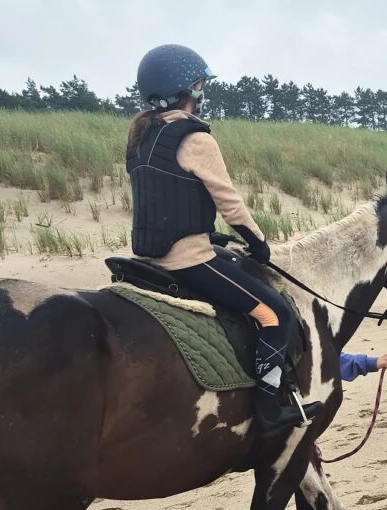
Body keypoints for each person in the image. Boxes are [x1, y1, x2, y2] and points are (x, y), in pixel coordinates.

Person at [126, 44, 323, 436]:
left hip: (148, 258)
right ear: (186, 90)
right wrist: (259, 243)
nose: (202, 92)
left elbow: (165, 201)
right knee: (275, 314)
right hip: (187, 259)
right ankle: (269, 407)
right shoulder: (195, 138)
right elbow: (230, 204)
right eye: (199, 85)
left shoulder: (141, 137)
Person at [293, 347, 387, 510]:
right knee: (286, 481)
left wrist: (372, 362)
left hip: (286, 417)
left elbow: (319, 353)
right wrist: (371, 362)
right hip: (287, 423)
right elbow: (318, 354)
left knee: (300, 478)